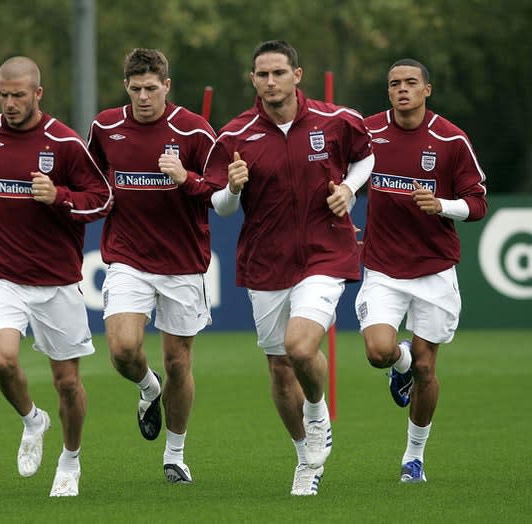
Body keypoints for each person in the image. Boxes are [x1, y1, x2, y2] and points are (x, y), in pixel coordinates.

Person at [204, 40, 374, 496]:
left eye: (279, 72)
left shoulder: (337, 120)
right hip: (266, 261)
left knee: (301, 348)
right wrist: (235, 189)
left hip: (325, 252)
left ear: (297, 76)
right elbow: (220, 206)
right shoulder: (235, 135)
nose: (271, 81)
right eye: (263, 75)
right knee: (279, 369)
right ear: (253, 80)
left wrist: (351, 189)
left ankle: (317, 414)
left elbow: (366, 156)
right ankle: (304, 459)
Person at [0, 56, 112, 497]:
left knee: (67, 383)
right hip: (1, 275)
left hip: (57, 281)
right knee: (3, 359)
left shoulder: (64, 143)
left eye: (19, 95)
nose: (9, 103)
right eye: (3, 95)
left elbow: (101, 201)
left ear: (38, 94)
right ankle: (32, 419)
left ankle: (70, 460)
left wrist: (59, 195)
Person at [87, 48, 218, 484]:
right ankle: (149, 387)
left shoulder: (194, 130)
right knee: (123, 349)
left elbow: (219, 196)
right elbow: (90, 183)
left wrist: (186, 178)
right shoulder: (105, 126)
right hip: (128, 257)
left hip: (182, 263)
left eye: (152, 88)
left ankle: (175, 455)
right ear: (126, 86)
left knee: (179, 361)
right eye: (136, 88)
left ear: (167, 85)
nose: (144, 96)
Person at [356, 58, 488, 483]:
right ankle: (401, 362)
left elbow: (478, 203)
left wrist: (443, 205)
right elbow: (338, 175)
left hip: (434, 269)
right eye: (395, 83)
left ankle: (414, 456)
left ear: (427, 90)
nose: (402, 89)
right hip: (383, 267)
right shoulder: (368, 132)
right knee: (379, 351)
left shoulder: (451, 140)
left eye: (411, 82)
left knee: (429, 370)